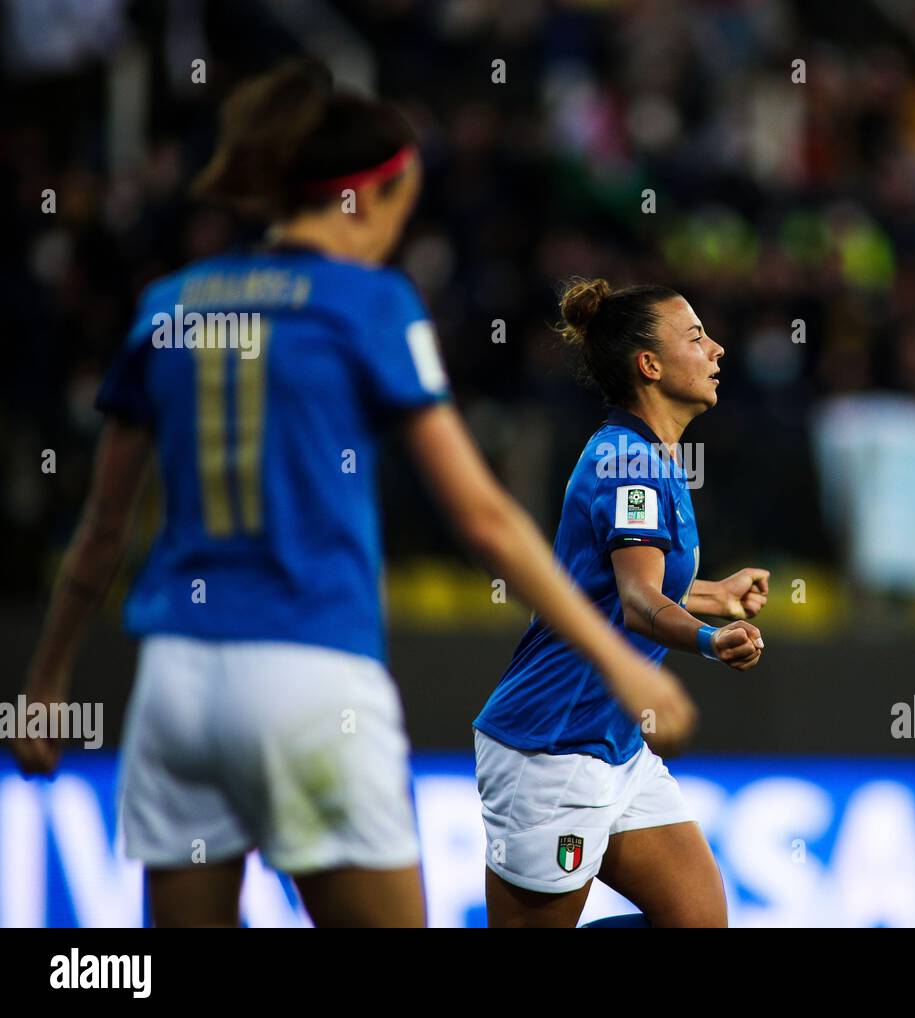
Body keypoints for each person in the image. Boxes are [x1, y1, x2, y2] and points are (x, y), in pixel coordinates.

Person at [12, 61, 695, 928]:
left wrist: (43, 682)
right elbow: (483, 516)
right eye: (402, 203)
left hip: (175, 688)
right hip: (312, 681)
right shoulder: (367, 304)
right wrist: (617, 659)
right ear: (366, 195)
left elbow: (103, 530)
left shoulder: (169, 305)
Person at [473, 278, 770, 927]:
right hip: (552, 749)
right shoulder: (627, 462)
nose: (717, 349)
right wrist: (707, 639)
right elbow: (638, 603)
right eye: (696, 337)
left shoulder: (654, 456)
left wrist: (715, 595)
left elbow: (619, 584)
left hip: (617, 750)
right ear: (650, 365)